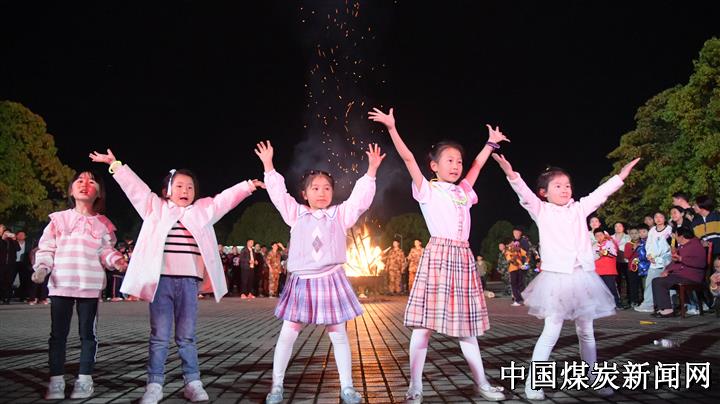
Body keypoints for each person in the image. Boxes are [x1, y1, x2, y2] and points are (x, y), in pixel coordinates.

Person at [90, 149, 263, 404]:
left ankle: (192, 382)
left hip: (189, 282)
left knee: (186, 336)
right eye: (179, 186)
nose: (185, 191)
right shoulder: (156, 208)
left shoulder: (202, 210)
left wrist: (247, 186)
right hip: (161, 281)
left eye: (190, 187)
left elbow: (224, 200)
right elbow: (135, 188)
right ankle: (154, 385)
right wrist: (115, 165)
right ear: (168, 190)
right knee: (159, 336)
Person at [370, 107, 507, 402]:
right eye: (449, 160)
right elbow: (408, 158)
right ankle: (415, 387)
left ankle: (481, 383)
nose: (456, 165)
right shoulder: (427, 190)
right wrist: (392, 128)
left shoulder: (463, 191)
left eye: (459, 161)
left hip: (463, 258)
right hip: (439, 257)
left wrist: (490, 144)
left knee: (467, 329)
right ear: (434, 165)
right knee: (423, 328)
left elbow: (476, 167)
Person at [492, 151, 640, 400]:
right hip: (556, 279)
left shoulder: (579, 209)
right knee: (551, 331)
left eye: (567, 185)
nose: (564, 189)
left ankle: (593, 378)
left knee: (587, 332)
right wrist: (510, 172)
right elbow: (523, 192)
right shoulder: (541, 210)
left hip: (582, 277)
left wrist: (621, 176)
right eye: (558, 186)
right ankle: (534, 383)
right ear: (544, 192)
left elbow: (600, 193)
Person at [256, 140, 384, 404]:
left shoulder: (340, 215)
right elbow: (279, 195)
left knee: (339, 335)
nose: (322, 192)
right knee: (288, 335)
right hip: (302, 282)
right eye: (315, 188)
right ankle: (276, 387)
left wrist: (371, 171)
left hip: (331, 280)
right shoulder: (295, 214)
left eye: (327, 188)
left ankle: (347, 387)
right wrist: (268, 166)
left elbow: (359, 201)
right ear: (304, 194)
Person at [31, 170, 128, 400]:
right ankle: (56, 380)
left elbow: (106, 250)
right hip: (61, 283)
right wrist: (42, 267)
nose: (85, 184)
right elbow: (47, 248)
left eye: (91, 181)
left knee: (88, 335)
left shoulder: (103, 224)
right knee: (58, 335)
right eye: (80, 180)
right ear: (71, 189)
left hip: (89, 286)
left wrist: (117, 261)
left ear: (99, 193)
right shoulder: (59, 219)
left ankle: (84, 380)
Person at [651, 227, 708, 317]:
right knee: (656, 280)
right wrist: (667, 270)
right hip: (680, 274)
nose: (675, 238)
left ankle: (666, 311)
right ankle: (661, 308)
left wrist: (681, 259)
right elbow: (674, 262)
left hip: (691, 275)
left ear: (682, 236)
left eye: (676, 235)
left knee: (659, 282)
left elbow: (701, 263)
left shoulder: (696, 245)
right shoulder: (683, 246)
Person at [634, 213, 672, 313]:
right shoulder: (652, 230)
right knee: (649, 283)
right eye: (656, 217)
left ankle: (670, 304)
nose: (658, 219)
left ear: (664, 218)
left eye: (661, 217)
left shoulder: (669, 230)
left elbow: (668, 247)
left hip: (665, 260)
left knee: (667, 283)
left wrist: (659, 258)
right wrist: (649, 255)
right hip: (653, 261)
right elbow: (649, 244)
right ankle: (648, 304)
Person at [593, 229, 624, 309]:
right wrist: (599, 254)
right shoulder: (594, 246)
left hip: (609, 270)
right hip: (598, 271)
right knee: (600, 289)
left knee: (611, 287)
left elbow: (614, 254)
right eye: (597, 236)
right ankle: (604, 305)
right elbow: (592, 257)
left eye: (600, 235)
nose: (599, 237)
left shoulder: (610, 243)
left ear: (604, 235)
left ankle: (617, 303)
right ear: (595, 237)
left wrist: (605, 252)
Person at [0, 224, 20, 304]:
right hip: (1, 264)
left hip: (11, 265)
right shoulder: (1, 240)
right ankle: (2, 297)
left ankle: (7, 298)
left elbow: (18, 249)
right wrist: (2, 239)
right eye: (6, 233)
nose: (8, 234)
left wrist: (14, 239)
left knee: (9, 281)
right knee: (1, 281)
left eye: (9, 233)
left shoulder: (12, 241)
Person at [504, 240, 528, 306]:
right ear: (508, 245)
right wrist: (520, 265)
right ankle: (521, 299)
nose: (512, 244)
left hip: (516, 269)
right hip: (515, 269)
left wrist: (525, 264)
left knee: (517, 285)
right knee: (517, 284)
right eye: (511, 243)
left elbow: (526, 255)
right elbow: (510, 260)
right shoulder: (508, 251)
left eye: (513, 243)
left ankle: (518, 300)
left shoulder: (518, 249)